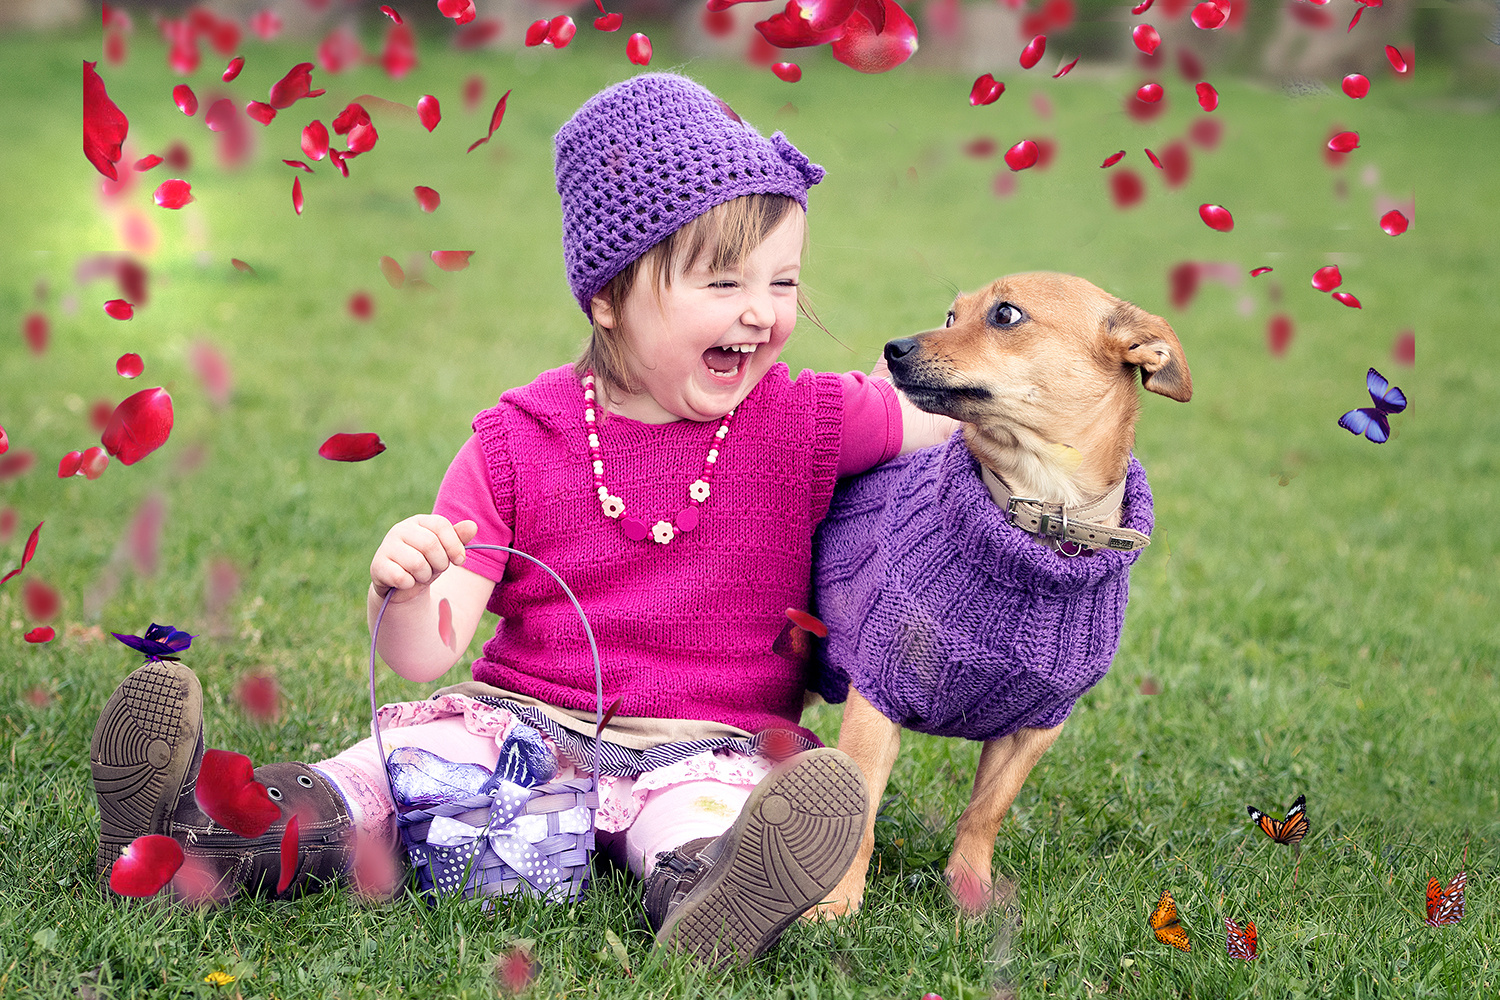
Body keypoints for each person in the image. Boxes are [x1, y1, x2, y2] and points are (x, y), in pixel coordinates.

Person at [89, 73, 954, 966]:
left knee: (704, 817)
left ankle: (716, 894)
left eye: (783, 281)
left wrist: (1058, 402)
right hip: (520, 724)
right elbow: (429, 653)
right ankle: (195, 825)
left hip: (705, 742)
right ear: (608, 297)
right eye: (723, 280)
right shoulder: (517, 441)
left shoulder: (808, 417)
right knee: (383, 773)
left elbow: (953, 406)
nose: (761, 312)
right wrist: (410, 582)